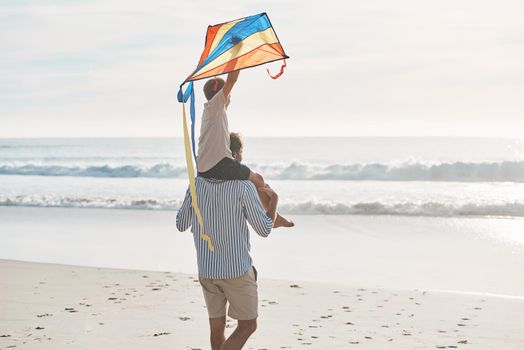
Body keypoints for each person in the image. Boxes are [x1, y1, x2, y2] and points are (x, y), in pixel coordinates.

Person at [176, 176, 279, 350]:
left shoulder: (196, 184)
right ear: (234, 155)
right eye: (240, 154)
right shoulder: (244, 186)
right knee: (248, 325)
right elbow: (264, 229)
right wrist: (274, 200)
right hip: (236, 271)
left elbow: (181, 224)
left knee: (216, 329)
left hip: (207, 269)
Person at [197, 71, 293, 228]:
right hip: (219, 165)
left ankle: (274, 216)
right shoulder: (216, 105)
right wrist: (238, 53)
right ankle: (272, 216)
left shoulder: (210, 113)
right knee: (259, 180)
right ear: (220, 93)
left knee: (256, 180)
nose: (229, 98)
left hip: (204, 170)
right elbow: (232, 79)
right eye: (228, 94)